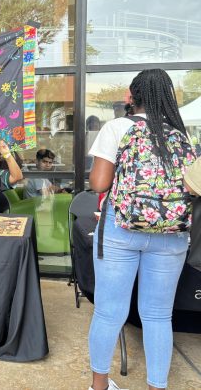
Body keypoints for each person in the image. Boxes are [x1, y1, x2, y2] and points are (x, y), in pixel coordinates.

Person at [87, 69, 194, 390]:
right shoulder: (179, 134)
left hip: (121, 230)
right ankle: (156, 387)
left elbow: (99, 183)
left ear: (130, 97)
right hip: (172, 235)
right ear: (168, 98)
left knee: (109, 312)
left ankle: (99, 386)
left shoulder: (118, 127)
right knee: (159, 316)